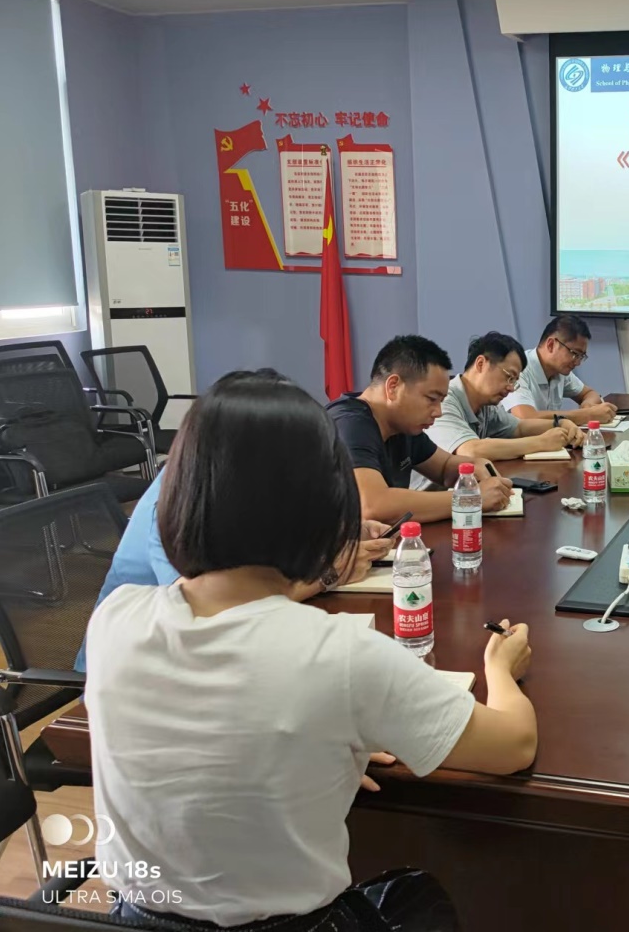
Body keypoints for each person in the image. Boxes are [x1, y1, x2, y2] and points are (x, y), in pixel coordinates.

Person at [86, 369, 538, 930]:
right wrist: (500, 667)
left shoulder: (115, 619)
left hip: (130, 919)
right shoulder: (339, 655)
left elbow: (208, 724)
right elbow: (515, 745)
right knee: (422, 898)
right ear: (325, 506)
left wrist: (323, 736)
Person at [72, 460, 395, 674]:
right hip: (140, 670)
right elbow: (208, 615)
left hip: (214, 657)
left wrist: (344, 533)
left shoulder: (236, 478)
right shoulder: (179, 504)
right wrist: (327, 574)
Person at [327, 335, 514, 523]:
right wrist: (471, 499)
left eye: (441, 401)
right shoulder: (349, 423)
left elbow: (444, 467)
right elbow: (372, 506)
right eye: (432, 399)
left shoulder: (401, 425)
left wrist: (473, 466)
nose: (438, 412)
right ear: (393, 387)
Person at [424, 331, 584, 466]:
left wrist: (559, 423)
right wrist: (541, 442)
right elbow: (471, 450)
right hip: (431, 492)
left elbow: (519, 427)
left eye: (514, 381)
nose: (511, 388)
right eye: (509, 377)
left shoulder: (486, 406)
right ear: (481, 364)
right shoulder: (444, 400)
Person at [502, 315, 616, 425]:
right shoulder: (518, 369)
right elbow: (525, 417)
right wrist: (586, 415)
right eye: (575, 354)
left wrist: (588, 406)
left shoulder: (559, 371)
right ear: (551, 345)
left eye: (581, 356)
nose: (578, 363)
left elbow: (589, 393)